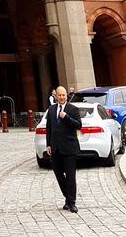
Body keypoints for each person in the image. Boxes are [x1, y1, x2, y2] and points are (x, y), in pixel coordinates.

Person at [46, 84, 82, 213]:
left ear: (66, 96)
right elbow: (49, 128)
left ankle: (72, 203)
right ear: (55, 96)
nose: (61, 97)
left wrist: (66, 117)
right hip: (55, 148)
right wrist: (48, 144)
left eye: (63, 95)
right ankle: (67, 198)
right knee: (59, 175)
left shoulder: (73, 109)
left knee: (70, 176)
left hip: (69, 148)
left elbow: (79, 125)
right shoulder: (51, 109)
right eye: (59, 95)